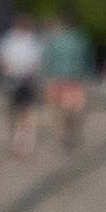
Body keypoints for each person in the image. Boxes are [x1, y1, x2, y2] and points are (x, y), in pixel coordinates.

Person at [41, 11, 94, 152]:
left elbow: (47, 61)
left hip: (58, 80)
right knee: (75, 110)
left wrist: (47, 80)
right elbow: (88, 60)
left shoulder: (55, 40)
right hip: (75, 80)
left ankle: (62, 135)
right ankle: (70, 133)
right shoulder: (81, 39)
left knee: (60, 112)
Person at [0, 14, 45, 156]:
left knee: (27, 111)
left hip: (27, 80)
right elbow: (2, 61)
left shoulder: (32, 41)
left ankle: (26, 141)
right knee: (15, 111)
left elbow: (37, 62)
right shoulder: (8, 40)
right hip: (12, 80)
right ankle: (18, 138)